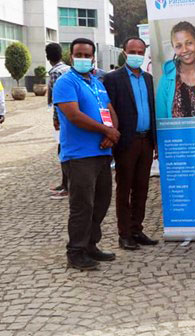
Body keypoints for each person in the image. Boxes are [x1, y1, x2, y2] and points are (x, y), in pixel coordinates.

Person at [54, 38, 121, 270]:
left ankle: (91, 245)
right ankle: (76, 252)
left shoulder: (96, 82)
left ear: (93, 57)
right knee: (82, 205)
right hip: (80, 156)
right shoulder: (66, 82)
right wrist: (107, 131)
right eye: (78, 54)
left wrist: (112, 133)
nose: (83, 58)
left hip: (102, 152)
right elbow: (74, 115)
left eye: (87, 55)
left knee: (101, 202)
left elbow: (109, 110)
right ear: (71, 56)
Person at [103, 37, 158, 251]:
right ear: (124, 53)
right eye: (132, 51)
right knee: (124, 188)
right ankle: (124, 234)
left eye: (140, 51)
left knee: (142, 188)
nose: (136, 54)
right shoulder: (113, 79)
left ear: (145, 54)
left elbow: (152, 111)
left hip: (146, 141)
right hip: (126, 142)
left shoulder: (148, 79)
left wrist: (155, 141)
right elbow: (108, 112)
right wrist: (112, 137)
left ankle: (137, 229)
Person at [46, 43, 71, 198]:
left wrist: (56, 119)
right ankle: (65, 183)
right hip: (71, 116)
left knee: (63, 151)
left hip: (63, 117)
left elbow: (57, 99)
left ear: (48, 57)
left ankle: (67, 185)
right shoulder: (67, 68)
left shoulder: (56, 72)